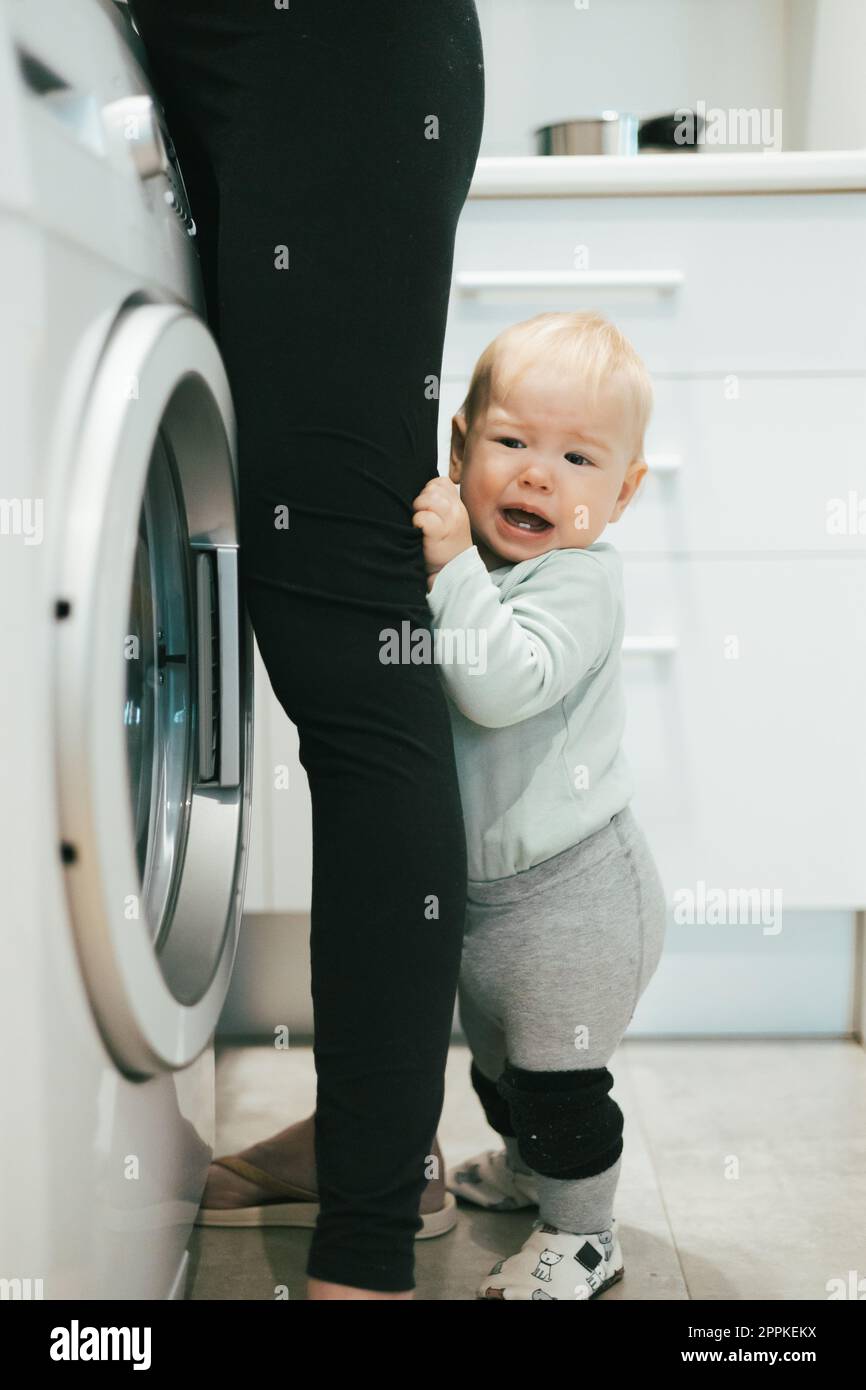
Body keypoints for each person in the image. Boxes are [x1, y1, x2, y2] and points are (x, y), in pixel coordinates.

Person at [128, 0, 485, 1299]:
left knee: (351, 639)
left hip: (322, 44)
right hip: (222, 55)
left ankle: (368, 1248)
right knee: (326, 623)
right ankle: (370, 1146)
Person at [411, 310, 669, 1301]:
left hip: (576, 896)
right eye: (511, 442)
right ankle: (528, 1170)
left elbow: (495, 685)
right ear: (460, 445)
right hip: (491, 896)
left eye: (575, 457)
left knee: (556, 1082)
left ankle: (584, 1231)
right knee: (499, 1066)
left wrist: (449, 568)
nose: (536, 475)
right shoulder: (493, 567)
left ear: (622, 492)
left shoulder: (577, 580)